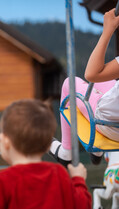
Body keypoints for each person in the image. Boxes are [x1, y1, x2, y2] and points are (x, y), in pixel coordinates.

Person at [50, 8, 119, 166]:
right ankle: (96, 151)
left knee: (70, 83)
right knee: (102, 82)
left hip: (107, 123)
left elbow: (91, 74)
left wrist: (108, 30)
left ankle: (66, 151)